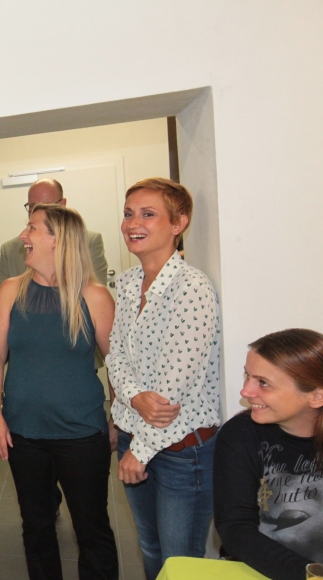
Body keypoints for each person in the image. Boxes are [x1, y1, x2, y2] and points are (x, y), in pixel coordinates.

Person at [0, 204, 118, 580]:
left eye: (32, 228)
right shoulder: (10, 291)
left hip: (82, 434)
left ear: (58, 239)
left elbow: (118, 366)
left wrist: (117, 420)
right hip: (24, 434)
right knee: (37, 527)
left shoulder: (95, 296)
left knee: (91, 528)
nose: (23, 236)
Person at [108, 177, 221, 580]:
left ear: (178, 223)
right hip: (133, 434)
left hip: (179, 449)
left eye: (147, 214)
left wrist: (140, 451)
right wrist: (135, 398)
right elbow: (115, 355)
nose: (132, 223)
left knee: (181, 561)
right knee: (150, 547)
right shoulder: (126, 283)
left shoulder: (193, 288)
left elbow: (174, 387)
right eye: (128, 213)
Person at [214, 328, 323, 580]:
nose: (245, 391)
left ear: (316, 396)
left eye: (263, 383)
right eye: (247, 376)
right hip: (264, 569)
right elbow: (236, 528)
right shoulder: (241, 434)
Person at [0, 178, 108, 288]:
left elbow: (96, 291)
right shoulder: (10, 250)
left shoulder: (89, 242)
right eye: (32, 206)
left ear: (62, 204)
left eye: (47, 206)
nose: (38, 211)